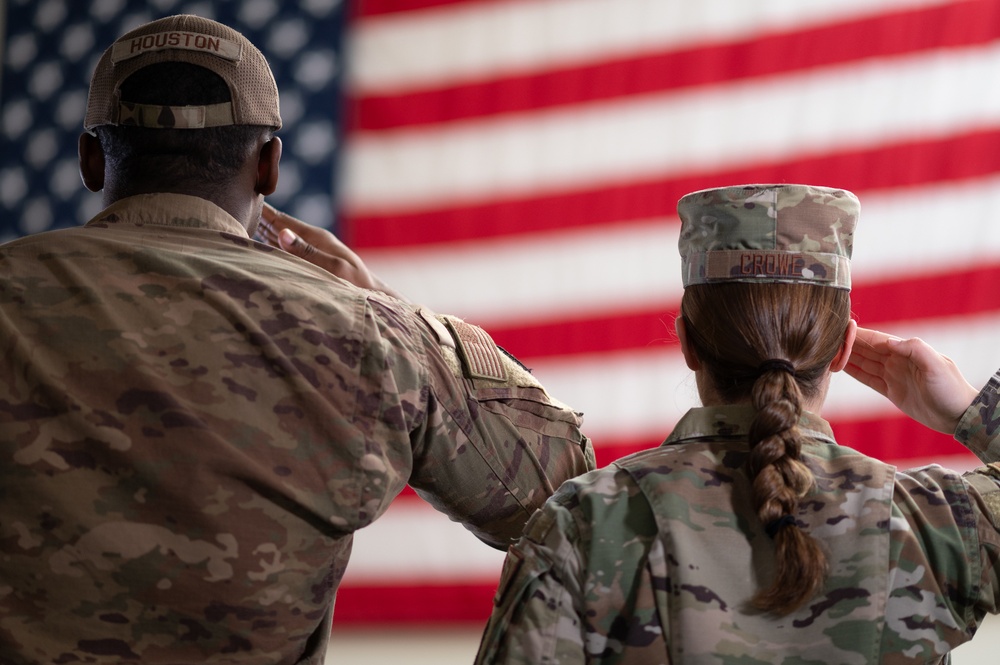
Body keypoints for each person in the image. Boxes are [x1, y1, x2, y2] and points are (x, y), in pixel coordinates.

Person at [0, 15, 595, 665]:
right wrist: (384, 305)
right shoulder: (364, 330)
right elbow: (563, 494)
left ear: (91, 159)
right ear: (269, 165)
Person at [474, 183, 1000, 664]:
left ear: (687, 343)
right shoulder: (933, 523)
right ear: (843, 348)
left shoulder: (584, 521)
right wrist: (972, 412)